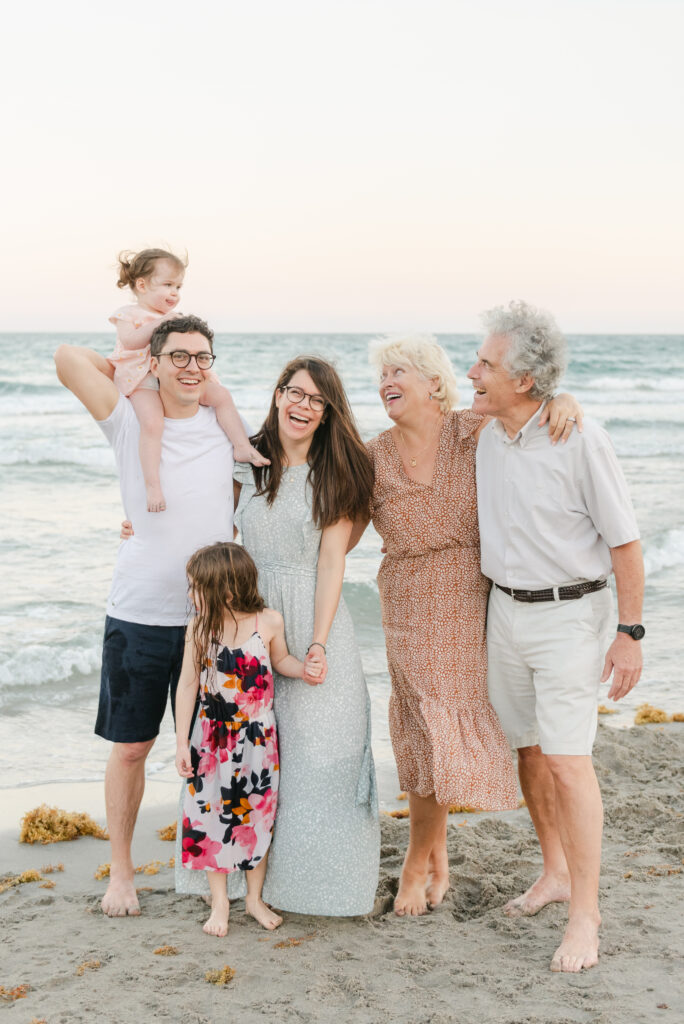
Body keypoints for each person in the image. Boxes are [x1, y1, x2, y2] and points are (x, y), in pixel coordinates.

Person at [363, 334, 581, 917]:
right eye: (381, 373)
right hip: (407, 603)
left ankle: (431, 858)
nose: (386, 379)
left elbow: (529, 422)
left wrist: (562, 401)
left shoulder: (473, 433)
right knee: (424, 726)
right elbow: (325, 517)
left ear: (434, 382)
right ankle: (425, 858)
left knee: (481, 729)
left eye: (399, 369)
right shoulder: (372, 454)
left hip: (477, 599)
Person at [470, 300, 643, 973]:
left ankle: (586, 917)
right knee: (531, 751)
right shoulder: (485, 432)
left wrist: (628, 634)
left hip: (572, 616)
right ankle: (555, 873)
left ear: (523, 380)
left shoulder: (581, 438)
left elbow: (626, 544)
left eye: (486, 363)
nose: (473, 371)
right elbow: (416, 421)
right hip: (505, 614)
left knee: (570, 762)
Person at [175, 357, 381, 915]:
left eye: (315, 399)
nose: (301, 405)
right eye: (294, 392)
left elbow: (333, 560)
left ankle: (315, 889)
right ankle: (233, 885)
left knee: (321, 755)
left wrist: (316, 642)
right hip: (247, 622)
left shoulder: (340, 472)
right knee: (234, 755)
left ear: (328, 412)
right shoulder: (248, 457)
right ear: (277, 394)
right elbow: (209, 520)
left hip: (315, 616)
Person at [54, 314, 243, 917]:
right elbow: (66, 357)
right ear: (155, 363)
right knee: (133, 748)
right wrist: (134, 350)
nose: (192, 367)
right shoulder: (128, 419)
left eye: (203, 357)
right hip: (138, 612)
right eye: (179, 356)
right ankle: (123, 873)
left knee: (212, 750)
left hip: (210, 619)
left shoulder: (224, 424)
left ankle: (217, 873)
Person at [176, 541, 322, 937]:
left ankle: (254, 899)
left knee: (258, 815)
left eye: (194, 587)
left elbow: (281, 661)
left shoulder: (267, 622)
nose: (189, 595)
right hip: (210, 739)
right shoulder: (199, 628)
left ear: (223, 589)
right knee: (209, 817)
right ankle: (220, 901)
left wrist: (304, 668)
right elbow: (187, 685)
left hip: (258, 740)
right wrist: (180, 742)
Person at [109, 247, 266, 512]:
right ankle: (153, 486)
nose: (174, 293)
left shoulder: (172, 318)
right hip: (143, 380)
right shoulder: (129, 314)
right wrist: (161, 324)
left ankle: (241, 446)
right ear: (142, 284)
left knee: (221, 396)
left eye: (179, 287)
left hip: (175, 380)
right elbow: (130, 341)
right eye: (168, 284)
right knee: (152, 424)